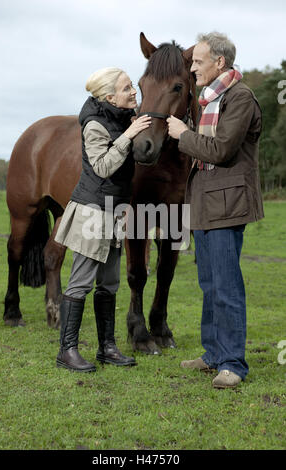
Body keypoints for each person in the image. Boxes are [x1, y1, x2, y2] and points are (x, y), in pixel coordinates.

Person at [167, 32, 264, 388]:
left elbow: (221, 149)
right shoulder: (209, 100)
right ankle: (212, 355)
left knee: (226, 287)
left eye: (197, 61)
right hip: (204, 203)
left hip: (227, 203)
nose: (192, 68)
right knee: (209, 284)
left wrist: (182, 134)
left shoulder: (240, 97)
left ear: (219, 62)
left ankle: (233, 365)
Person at [55, 67, 151, 373]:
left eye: (132, 87)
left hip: (115, 210)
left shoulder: (123, 118)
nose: (133, 92)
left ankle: (107, 347)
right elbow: (102, 167)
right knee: (80, 282)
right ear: (110, 97)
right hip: (93, 211)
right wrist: (129, 135)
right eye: (127, 89)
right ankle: (67, 350)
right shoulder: (95, 124)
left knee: (109, 282)